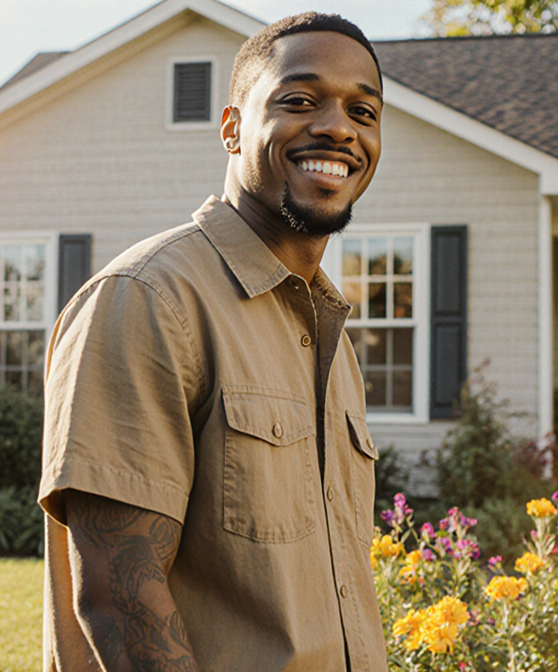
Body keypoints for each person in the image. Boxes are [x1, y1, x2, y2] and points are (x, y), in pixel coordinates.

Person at [39, 12, 388, 672]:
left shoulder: (330, 337)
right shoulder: (149, 299)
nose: (339, 128)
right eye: (299, 100)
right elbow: (122, 603)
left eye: (362, 112)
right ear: (232, 127)